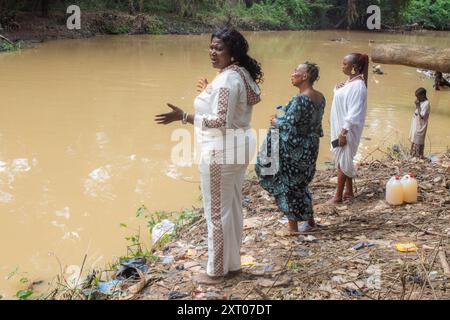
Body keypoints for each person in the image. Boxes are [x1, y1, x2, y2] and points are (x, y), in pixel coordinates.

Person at [155, 27, 262, 284]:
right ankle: (233, 264)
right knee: (233, 205)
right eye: (211, 47)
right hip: (241, 144)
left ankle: (216, 272)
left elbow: (220, 121)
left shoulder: (226, 80)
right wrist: (209, 90)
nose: (212, 52)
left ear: (232, 52)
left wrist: (183, 116)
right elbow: (250, 99)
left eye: (219, 48)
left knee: (216, 212)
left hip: (221, 150)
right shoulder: (241, 73)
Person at [256, 63, 325, 233]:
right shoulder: (321, 97)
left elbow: (289, 125)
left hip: (296, 149)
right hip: (311, 146)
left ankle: (293, 229)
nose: (292, 74)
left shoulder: (300, 99)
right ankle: (310, 222)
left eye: (296, 71)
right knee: (301, 184)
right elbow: (309, 123)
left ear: (305, 76)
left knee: (288, 185)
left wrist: (275, 121)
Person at [329, 53, 368, 204]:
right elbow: (342, 98)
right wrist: (336, 89)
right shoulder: (350, 82)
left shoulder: (358, 87)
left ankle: (337, 197)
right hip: (340, 126)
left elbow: (353, 113)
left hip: (347, 130)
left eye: (345, 64)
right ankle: (349, 191)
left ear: (354, 67)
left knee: (343, 159)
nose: (342, 66)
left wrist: (343, 132)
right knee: (344, 157)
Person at [409, 87, 430, 158]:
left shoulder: (426, 103)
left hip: (421, 126)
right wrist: (417, 105)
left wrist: (417, 106)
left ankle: (417, 156)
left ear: (423, 95)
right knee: (414, 139)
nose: (417, 98)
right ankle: (413, 155)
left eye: (418, 96)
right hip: (416, 124)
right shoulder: (422, 102)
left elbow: (422, 116)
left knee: (418, 141)